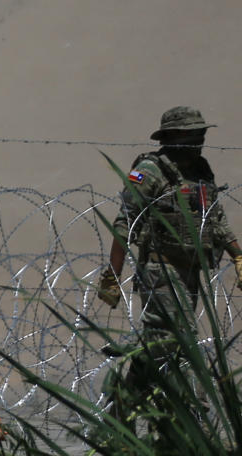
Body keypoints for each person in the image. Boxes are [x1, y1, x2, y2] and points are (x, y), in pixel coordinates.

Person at [94, 105, 242, 428]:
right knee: (181, 344)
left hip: (190, 273)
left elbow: (215, 218)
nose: (199, 140)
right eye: (192, 134)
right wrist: (112, 277)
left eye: (201, 134)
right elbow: (125, 223)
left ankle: (119, 412)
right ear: (172, 137)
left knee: (160, 343)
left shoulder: (201, 170)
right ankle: (189, 420)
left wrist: (237, 255)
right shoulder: (150, 171)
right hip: (160, 272)